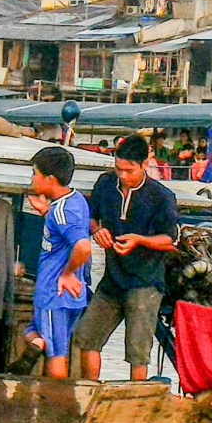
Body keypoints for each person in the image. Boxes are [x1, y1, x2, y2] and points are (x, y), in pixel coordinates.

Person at [71, 134, 179, 381]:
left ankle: (136, 399)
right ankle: (89, 389)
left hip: (145, 282)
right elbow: (91, 217)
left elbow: (170, 239)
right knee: (86, 337)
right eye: (118, 169)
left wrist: (139, 240)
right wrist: (97, 230)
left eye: (129, 170)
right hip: (112, 280)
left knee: (137, 351)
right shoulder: (105, 184)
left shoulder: (161, 197)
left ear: (144, 164)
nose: (123, 176)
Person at [25, 147, 91, 379]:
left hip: (55, 293)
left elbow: (83, 246)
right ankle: (37, 345)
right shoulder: (76, 201)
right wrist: (46, 212)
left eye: (35, 173)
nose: (32, 179)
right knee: (37, 335)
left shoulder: (61, 212)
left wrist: (67, 274)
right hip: (71, 296)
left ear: (50, 178)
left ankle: (57, 404)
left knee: (56, 353)